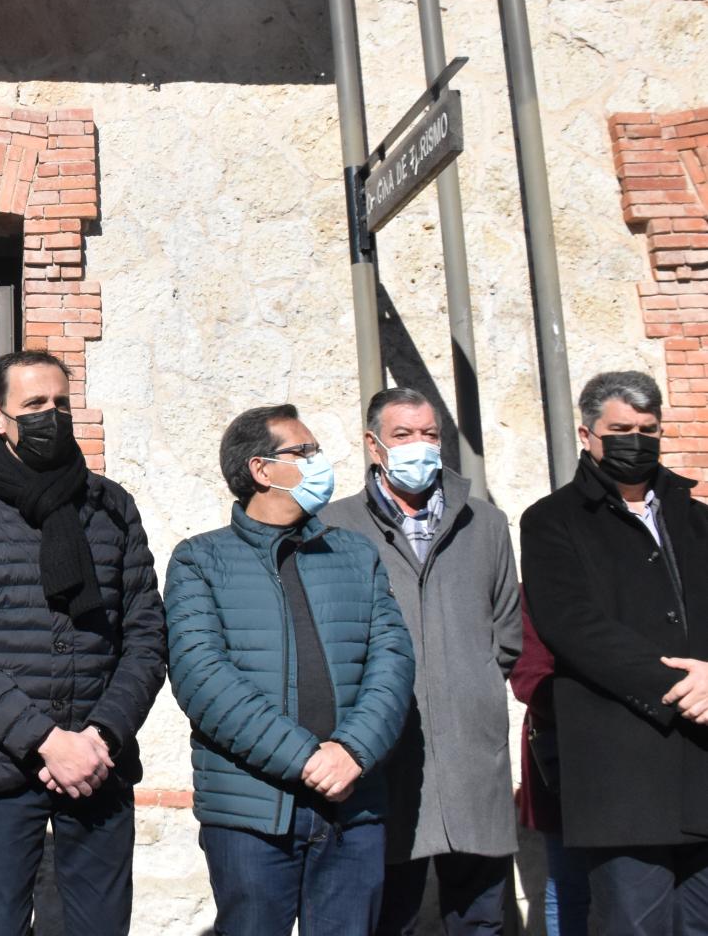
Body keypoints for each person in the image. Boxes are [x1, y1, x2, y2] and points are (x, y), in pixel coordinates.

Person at [0, 350, 165, 936]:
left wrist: (100, 736)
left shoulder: (110, 505)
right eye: (33, 404)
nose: (50, 415)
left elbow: (145, 637)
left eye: (60, 402)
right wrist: (46, 741)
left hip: (100, 763)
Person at [166, 403, 415, 936]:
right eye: (305, 451)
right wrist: (306, 759)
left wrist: (352, 752)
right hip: (252, 814)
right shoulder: (199, 560)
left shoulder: (356, 554)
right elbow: (202, 678)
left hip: (352, 806)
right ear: (261, 469)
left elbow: (392, 660)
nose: (320, 461)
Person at [320, 387, 521, 934]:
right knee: (391, 916)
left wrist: (472, 686)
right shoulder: (335, 527)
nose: (420, 445)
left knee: (481, 916)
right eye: (403, 434)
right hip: (384, 756)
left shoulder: (486, 523)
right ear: (374, 444)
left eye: (430, 434)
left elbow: (507, 633)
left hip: (471, 752)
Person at [520, 370, 708, 934]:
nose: (637, 441)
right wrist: (682, 686)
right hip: (621, 772)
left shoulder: (697, 519)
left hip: (702, 761)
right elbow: (572, 626)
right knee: (633, 923)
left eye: (648, 429)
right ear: (587, 434)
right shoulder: (551, 521)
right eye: (621, 430)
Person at [510, 590, 591, 936]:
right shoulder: (536, 590)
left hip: (636, 759)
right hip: (562, 761)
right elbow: (528, 677)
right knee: (568, 883)